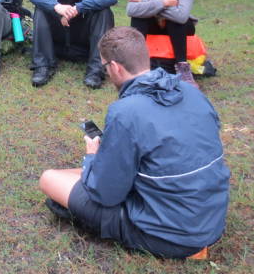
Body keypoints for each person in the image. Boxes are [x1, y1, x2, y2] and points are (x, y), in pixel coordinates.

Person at [38, 27, 230, 259]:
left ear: (115, 67)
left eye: (104, 67)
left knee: (49, 179)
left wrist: (92, 156)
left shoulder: (126, 111)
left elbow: (106, 195)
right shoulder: (190, 91)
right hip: (210, 219)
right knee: (82, 174)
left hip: (171, 235)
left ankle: (89, 218)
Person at [126, 0, 198, 86]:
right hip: (152, 24)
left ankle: (182, 68)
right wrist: (165, 2)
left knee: (175, 19)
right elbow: (131, 10)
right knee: (139, 16)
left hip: (181, 27)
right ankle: (137, 66)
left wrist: (146, 1)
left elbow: (182, 16)